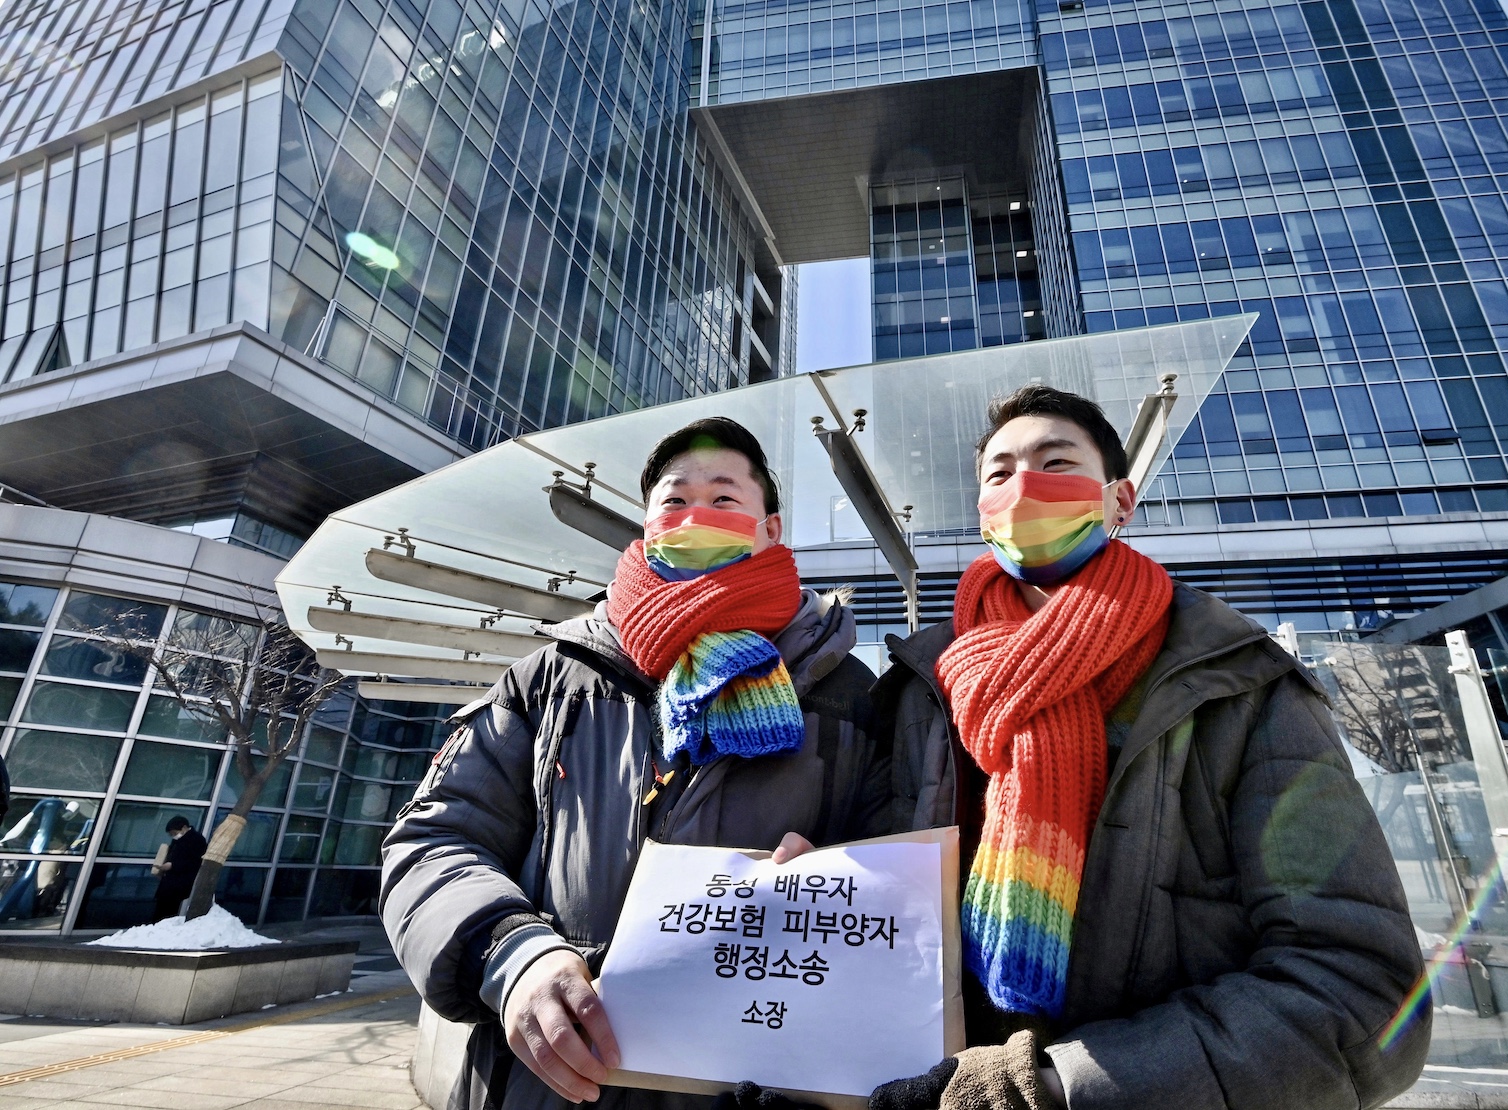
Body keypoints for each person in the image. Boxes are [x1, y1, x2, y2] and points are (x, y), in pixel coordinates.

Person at [867, 386, 1428, 1110]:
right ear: (982, 513)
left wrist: (1057, 1090)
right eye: (1000, 474)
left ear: (1119, 501)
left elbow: (1361, 990)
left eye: (1056, 464)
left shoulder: (1237, 681)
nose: (1024, 489)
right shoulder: (922, 685)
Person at [382, 417, 887, 1110]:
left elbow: (900, 875)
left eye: (724, 499)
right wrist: (511, 954)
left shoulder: (847, 691)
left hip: (752, 1079)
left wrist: (841, 879)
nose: (695, 516)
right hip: (546, 1081)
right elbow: (435, 839)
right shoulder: (551, 676)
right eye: (674, 501)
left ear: (771, 529)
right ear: (646, 528)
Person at [152, 815, 206, 922]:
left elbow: (195, 862)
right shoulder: (178, 840)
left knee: (170, 914)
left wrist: (173, 865)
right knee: (160, 911)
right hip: (169, 882)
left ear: (184, 828)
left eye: (174, 833)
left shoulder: (197, 840)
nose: (174, 836)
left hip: (180, 885)